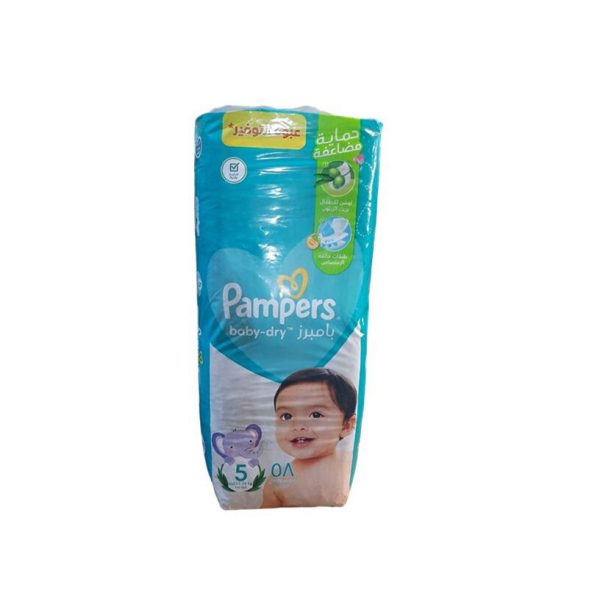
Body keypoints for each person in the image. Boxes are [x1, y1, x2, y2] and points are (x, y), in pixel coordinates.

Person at [261, 368, 357, 508]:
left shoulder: (348, 462)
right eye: (287, 416)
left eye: (316, 415)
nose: (298, 426)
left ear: (346, 426)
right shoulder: (277, 481)